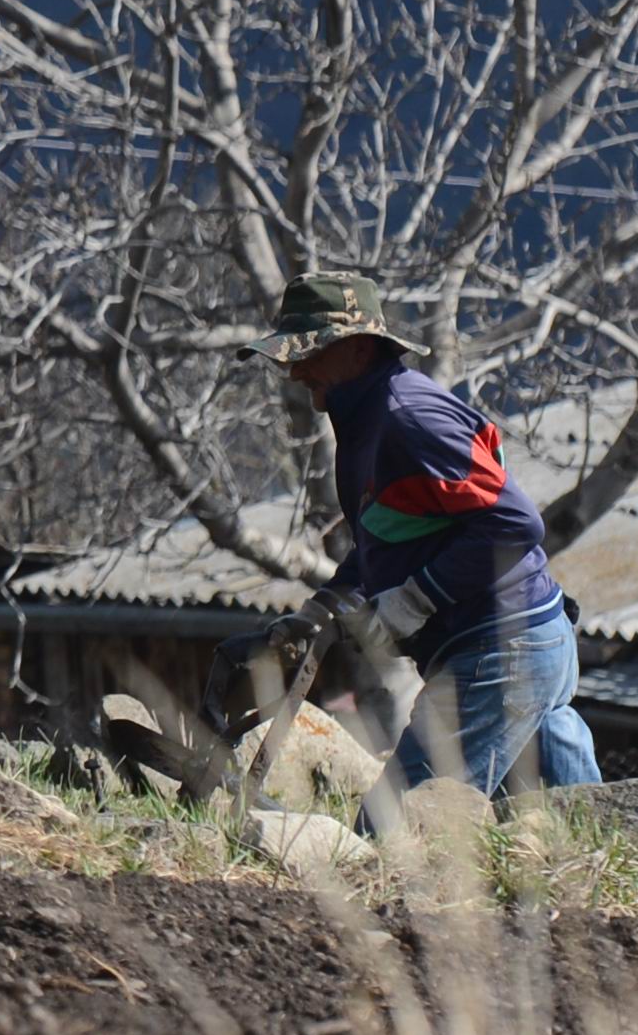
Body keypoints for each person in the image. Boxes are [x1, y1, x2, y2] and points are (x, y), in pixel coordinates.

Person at [220, 271, 604, 817]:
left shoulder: (408, 418)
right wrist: (319, 613)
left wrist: (413, 600)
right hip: (523, 641)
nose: (293, 370)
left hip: (502, 650)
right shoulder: (366, 420)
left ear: (356, 347)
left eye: (306, 352)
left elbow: (515, 525)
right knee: (578, 820)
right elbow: (390, 538)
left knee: (396, 826)